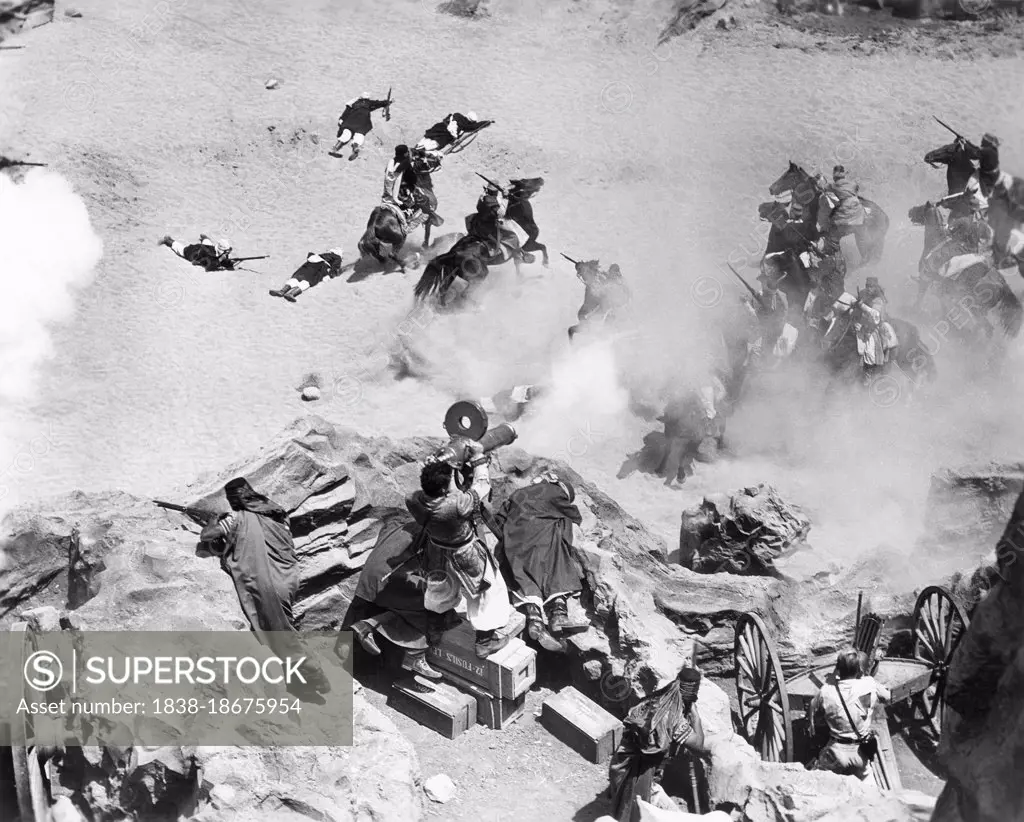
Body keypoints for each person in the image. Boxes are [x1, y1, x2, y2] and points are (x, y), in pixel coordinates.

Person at [198, 477, 330, 700]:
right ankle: (301, 681)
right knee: (284, 626)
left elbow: (207, 536)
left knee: (281, 633)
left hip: (267, 580)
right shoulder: (276, 513)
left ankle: (314, 673)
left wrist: (213, 521)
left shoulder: (237, 518)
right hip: (288, 576)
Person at [406, 448, 513, 658]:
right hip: (465, 554)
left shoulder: (413, 499)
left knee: (439, 589)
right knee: (487, 592)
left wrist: (437, 468)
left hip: (436, 551)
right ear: (445, 489)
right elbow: (482, 486)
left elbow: (437, 489)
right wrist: (479, 460)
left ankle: (436, 628)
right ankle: (485, 641)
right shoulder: (456, 505)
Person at [341, 516, 455, 680]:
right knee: (435, 604)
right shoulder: (432, 535)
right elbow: (435, 572)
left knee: (414, 600)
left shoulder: (397, 522)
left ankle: (367, 626)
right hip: (387, 581)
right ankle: (416, 655)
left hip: (368, 577)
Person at [493, 471, 588, 653]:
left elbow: (498, 521)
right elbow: (576, 516)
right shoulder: (556, 492)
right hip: (541, 544)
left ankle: (534, 618)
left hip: (516, 545)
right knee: (555, 559)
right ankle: (558, 614)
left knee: (522, 575)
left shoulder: (517, 494)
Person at [608, 666, 708, 822]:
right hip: (643, 781)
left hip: (619, 766)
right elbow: (699, 745)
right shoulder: (675, 719)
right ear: (693, 692)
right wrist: (696, 717)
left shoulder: (652, 700)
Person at [809, 648, 891, 779]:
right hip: (860, 753)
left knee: (819, 779)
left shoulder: (826, 691)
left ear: (838, 668)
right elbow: (887, 697)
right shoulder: (869, 683)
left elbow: (813, 707)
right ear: (859, 671)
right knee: (867, 782)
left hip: (835, 752)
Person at [568, 261, 632, 340]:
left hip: (616, 307)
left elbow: (615, 294)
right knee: (586, 317)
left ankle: (606, 334)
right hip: (606, 307)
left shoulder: (607, 280)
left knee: (608, 317)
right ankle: (593, 333)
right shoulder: (595, 283)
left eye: (581, 271)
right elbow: (591, 301)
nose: (581, 275)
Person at [328, 92, 392, 160]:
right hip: (362, 122)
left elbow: (347, 111)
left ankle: (335, 148)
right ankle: (355, 148)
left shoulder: (354, 102)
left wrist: (341, 119)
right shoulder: (369, 103)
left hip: (351, 120)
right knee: (359, 135)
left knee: (347, 134)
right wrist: (388, 101)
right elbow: (379, 103)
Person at [746, 270, 789, 367]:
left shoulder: (778, 297)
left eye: (762, 282)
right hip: (768, 328)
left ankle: (765, 367)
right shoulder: (765, 295)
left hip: (772, 329)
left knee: (766, 351)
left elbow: (782, 313)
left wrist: (747, 305)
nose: (761, 284)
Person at [269, 247, 344, 302]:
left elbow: (310, 254)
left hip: (309, 263)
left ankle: (282, 291)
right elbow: (335, 268)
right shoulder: (338, 258)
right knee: (308, 281)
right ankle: (292, 294)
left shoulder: (322, 255)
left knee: (297, 278)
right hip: (320, 266)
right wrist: (330, 275)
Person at [823, 165, 865, 248]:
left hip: (846, 210)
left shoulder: (833, 185)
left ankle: (833, 246)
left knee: (831, 228)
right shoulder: (852, 184)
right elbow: (857, 188)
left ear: (834, 176)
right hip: (858, 211)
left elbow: (823, 188)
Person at [416, 111, 489, 158]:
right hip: (444, 136)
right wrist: (486, 122)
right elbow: (474, 127)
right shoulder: (465, 125)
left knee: (426, 140)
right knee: (430, 147)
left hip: (438, 128)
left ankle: (418, 148)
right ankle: (418, 151)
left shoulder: (456, 115)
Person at [465, 181, 508, 257]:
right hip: (487, 227)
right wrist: (505, 198)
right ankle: (494, 249)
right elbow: (501, 213)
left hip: (477, 221)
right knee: (505, 233)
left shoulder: (483, 196)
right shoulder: (490, 199)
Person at [158, 234, 235, 271]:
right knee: (180, 249)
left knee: (208, 243)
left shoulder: (215, 250)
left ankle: (204, 238)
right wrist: (222, 260)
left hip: (204, 247)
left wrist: (226, 260)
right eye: (226, 251)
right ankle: (168, 240)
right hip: (193, 252)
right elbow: (210, 266)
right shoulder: (211, 256)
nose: (227, 253)